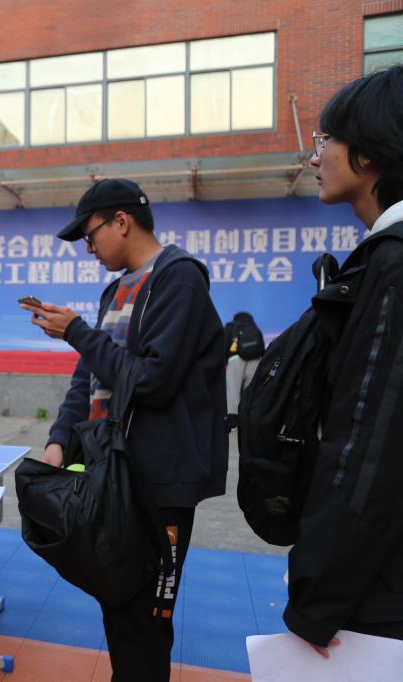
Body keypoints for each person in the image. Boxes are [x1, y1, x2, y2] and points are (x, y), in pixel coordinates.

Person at [21, 178, 227, 681]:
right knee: (120, 608)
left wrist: (76, 331)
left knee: (146, 623)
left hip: (157, 483)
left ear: (121, 221)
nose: (88, 248)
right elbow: (88, 378)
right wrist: (58, 439)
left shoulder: (179, 280)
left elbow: (152, 381)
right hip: (113, 476)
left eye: (90, 235)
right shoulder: (116, 290)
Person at [284, 64, 403, 657]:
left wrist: (317, 593)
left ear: (369, 153)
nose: (315, 157)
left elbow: (368, 447)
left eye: (325, 140)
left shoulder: (394, 266)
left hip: (377, 594)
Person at [224, 311, 264, 424]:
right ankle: (250, 419)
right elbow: (262, 348)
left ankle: (233, 422)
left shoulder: (231, 327)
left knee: (233, 393)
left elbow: (224, 345)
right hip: (255, 360)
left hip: (235, 360)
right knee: (251, 392)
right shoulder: (255, 328)